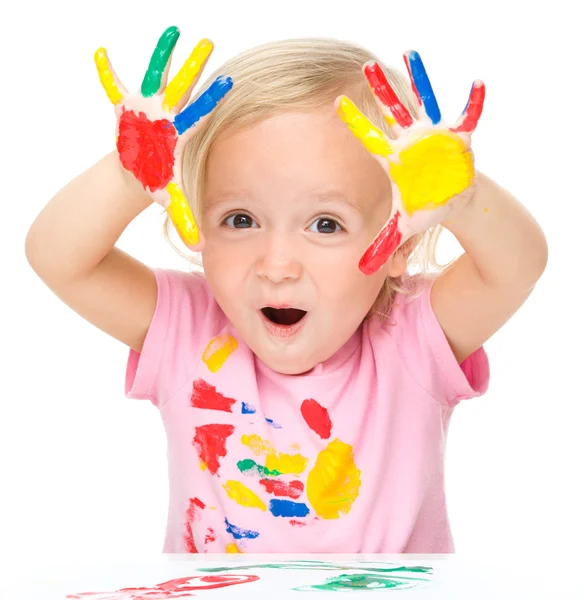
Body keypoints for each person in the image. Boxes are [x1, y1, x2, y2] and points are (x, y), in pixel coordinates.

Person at [25, 26, 548, 553]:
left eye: (325, 224)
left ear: (398, 244)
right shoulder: (187, 331)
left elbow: (516, 267)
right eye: (241, 218)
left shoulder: (413, 337)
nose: (276, 266)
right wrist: (128, 172)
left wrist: (461, 195)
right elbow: (59, 257)